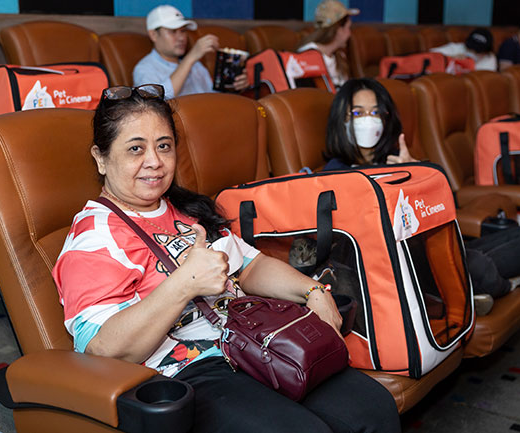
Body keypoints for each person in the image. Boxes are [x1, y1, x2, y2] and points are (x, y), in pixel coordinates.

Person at [52, 83, 401, 433]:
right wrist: (184, 285)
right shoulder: (93, 237)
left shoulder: (186, 210)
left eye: (164, 146)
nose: (154, 162)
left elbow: (251, 265)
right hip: (185, 374)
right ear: (101, 157)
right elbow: (102, 348)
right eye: (135, 149)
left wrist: (313, 292)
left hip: (252, 343)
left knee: (373, 408)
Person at [323, 78, 520, 315]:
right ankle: (505, 284)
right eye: (358, 113)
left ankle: (475, 287)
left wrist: (415, 172)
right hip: (401, 267)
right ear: (342, 120)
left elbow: (441, 208)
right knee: (476, 265)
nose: (368, 119)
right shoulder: (333, 172)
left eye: (375, 112)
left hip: (435, 248)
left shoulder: (397, 160)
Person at [132, 5, 248, 99]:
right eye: (173, 31)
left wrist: (236, 88)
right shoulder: (144, 68)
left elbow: (213, 97)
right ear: (154, 35)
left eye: (183, 31)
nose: (181, 38)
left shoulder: (196, 65)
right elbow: (158, 103)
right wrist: (191, 57)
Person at [297, 0, 359, 88]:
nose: (349, 33)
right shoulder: (307, 57)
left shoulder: (339, 56)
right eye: (348, 28)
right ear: (338, 30)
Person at [430, 28, 497, 71]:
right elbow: (430, 54)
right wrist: (451, 58)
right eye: (471, 48)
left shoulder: (490, 59)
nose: (473, 53)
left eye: (478, 51)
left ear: (487, 52)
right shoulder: (459, 47)